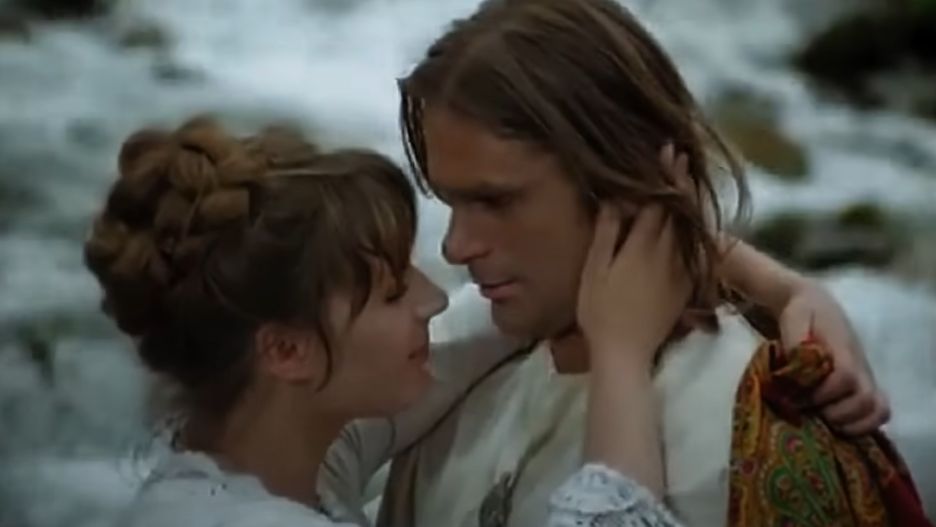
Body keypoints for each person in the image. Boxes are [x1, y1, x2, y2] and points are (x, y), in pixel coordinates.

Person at [377, 0, 929, 525]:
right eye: (451, 203)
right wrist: (779, 285)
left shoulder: (757, 445)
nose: (454, 248)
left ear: (624, 181)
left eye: (496, 202)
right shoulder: (447, 393)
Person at [84, 116, 691, 526]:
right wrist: (621, 354)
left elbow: (458, 343)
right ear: (287, 351)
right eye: (394, 291)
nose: (433, 300)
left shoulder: (263, 450)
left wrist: (599, 260)